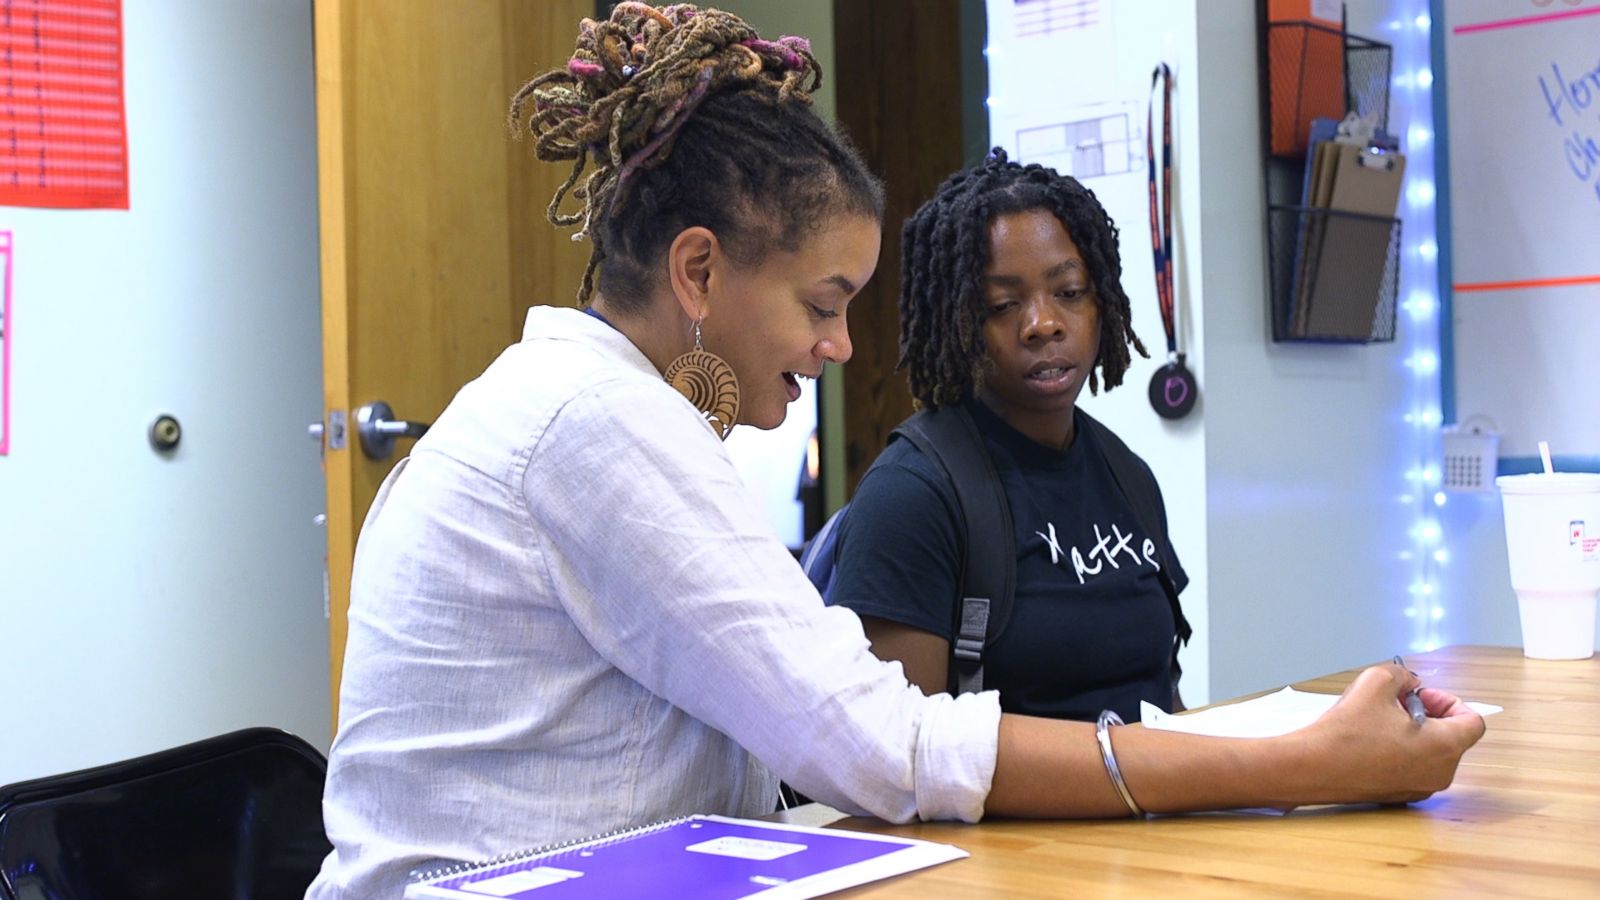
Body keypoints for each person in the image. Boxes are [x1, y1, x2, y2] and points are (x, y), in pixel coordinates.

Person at [306, 5, 1485, 897]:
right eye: (823, 301)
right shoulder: (593, 427)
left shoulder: (600, 410)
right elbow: (878, 741)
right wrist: (1300, 762)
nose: (837, 345)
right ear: (701, 273)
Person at [828, 150, 1187, 722]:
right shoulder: (911, 496)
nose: (1043, 323)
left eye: (1069, 292)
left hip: (1148, 805)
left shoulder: (1128, 477)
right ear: (958, 319)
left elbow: (1159, 696)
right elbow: (898, 761)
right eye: (1002, 304)